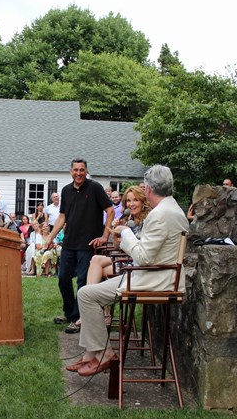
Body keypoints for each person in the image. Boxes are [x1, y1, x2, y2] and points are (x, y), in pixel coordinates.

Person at [67, 165, 188, 377]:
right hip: (157, 275)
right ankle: (89, 355)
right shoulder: (175, 210)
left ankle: (105, 356)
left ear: (148, 189)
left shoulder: (160, 215)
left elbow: (144, 257)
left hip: (152, 280)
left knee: (86, 294)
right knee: (89, 291)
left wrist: (127, 233)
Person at [48, 158, 114, 334]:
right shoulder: (66, 191)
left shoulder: (95, 188)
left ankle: (78, 317)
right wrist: (50, 237)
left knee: (83, 282)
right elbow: (62, 217)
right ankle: (69, 312)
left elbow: (110, 210)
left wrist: (105, 235)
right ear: (71, 171)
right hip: (69, 243)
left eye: (82, 170)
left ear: (86, 171)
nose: (78, 173)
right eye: (75, 170)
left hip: (88, 244)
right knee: (63, 279)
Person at [84, 185, 151, 324]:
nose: (131, 204)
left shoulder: (148, 221)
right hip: (125, 258)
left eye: (135, 200)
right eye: (128, 201)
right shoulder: (128, 219)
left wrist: (125, 232)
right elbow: (118, 247)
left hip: (135, 263)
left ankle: (95, 311)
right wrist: (115, 233)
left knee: (97, 267)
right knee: (96, 259)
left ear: (143, 201)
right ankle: (99, 311)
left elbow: (139, 248)